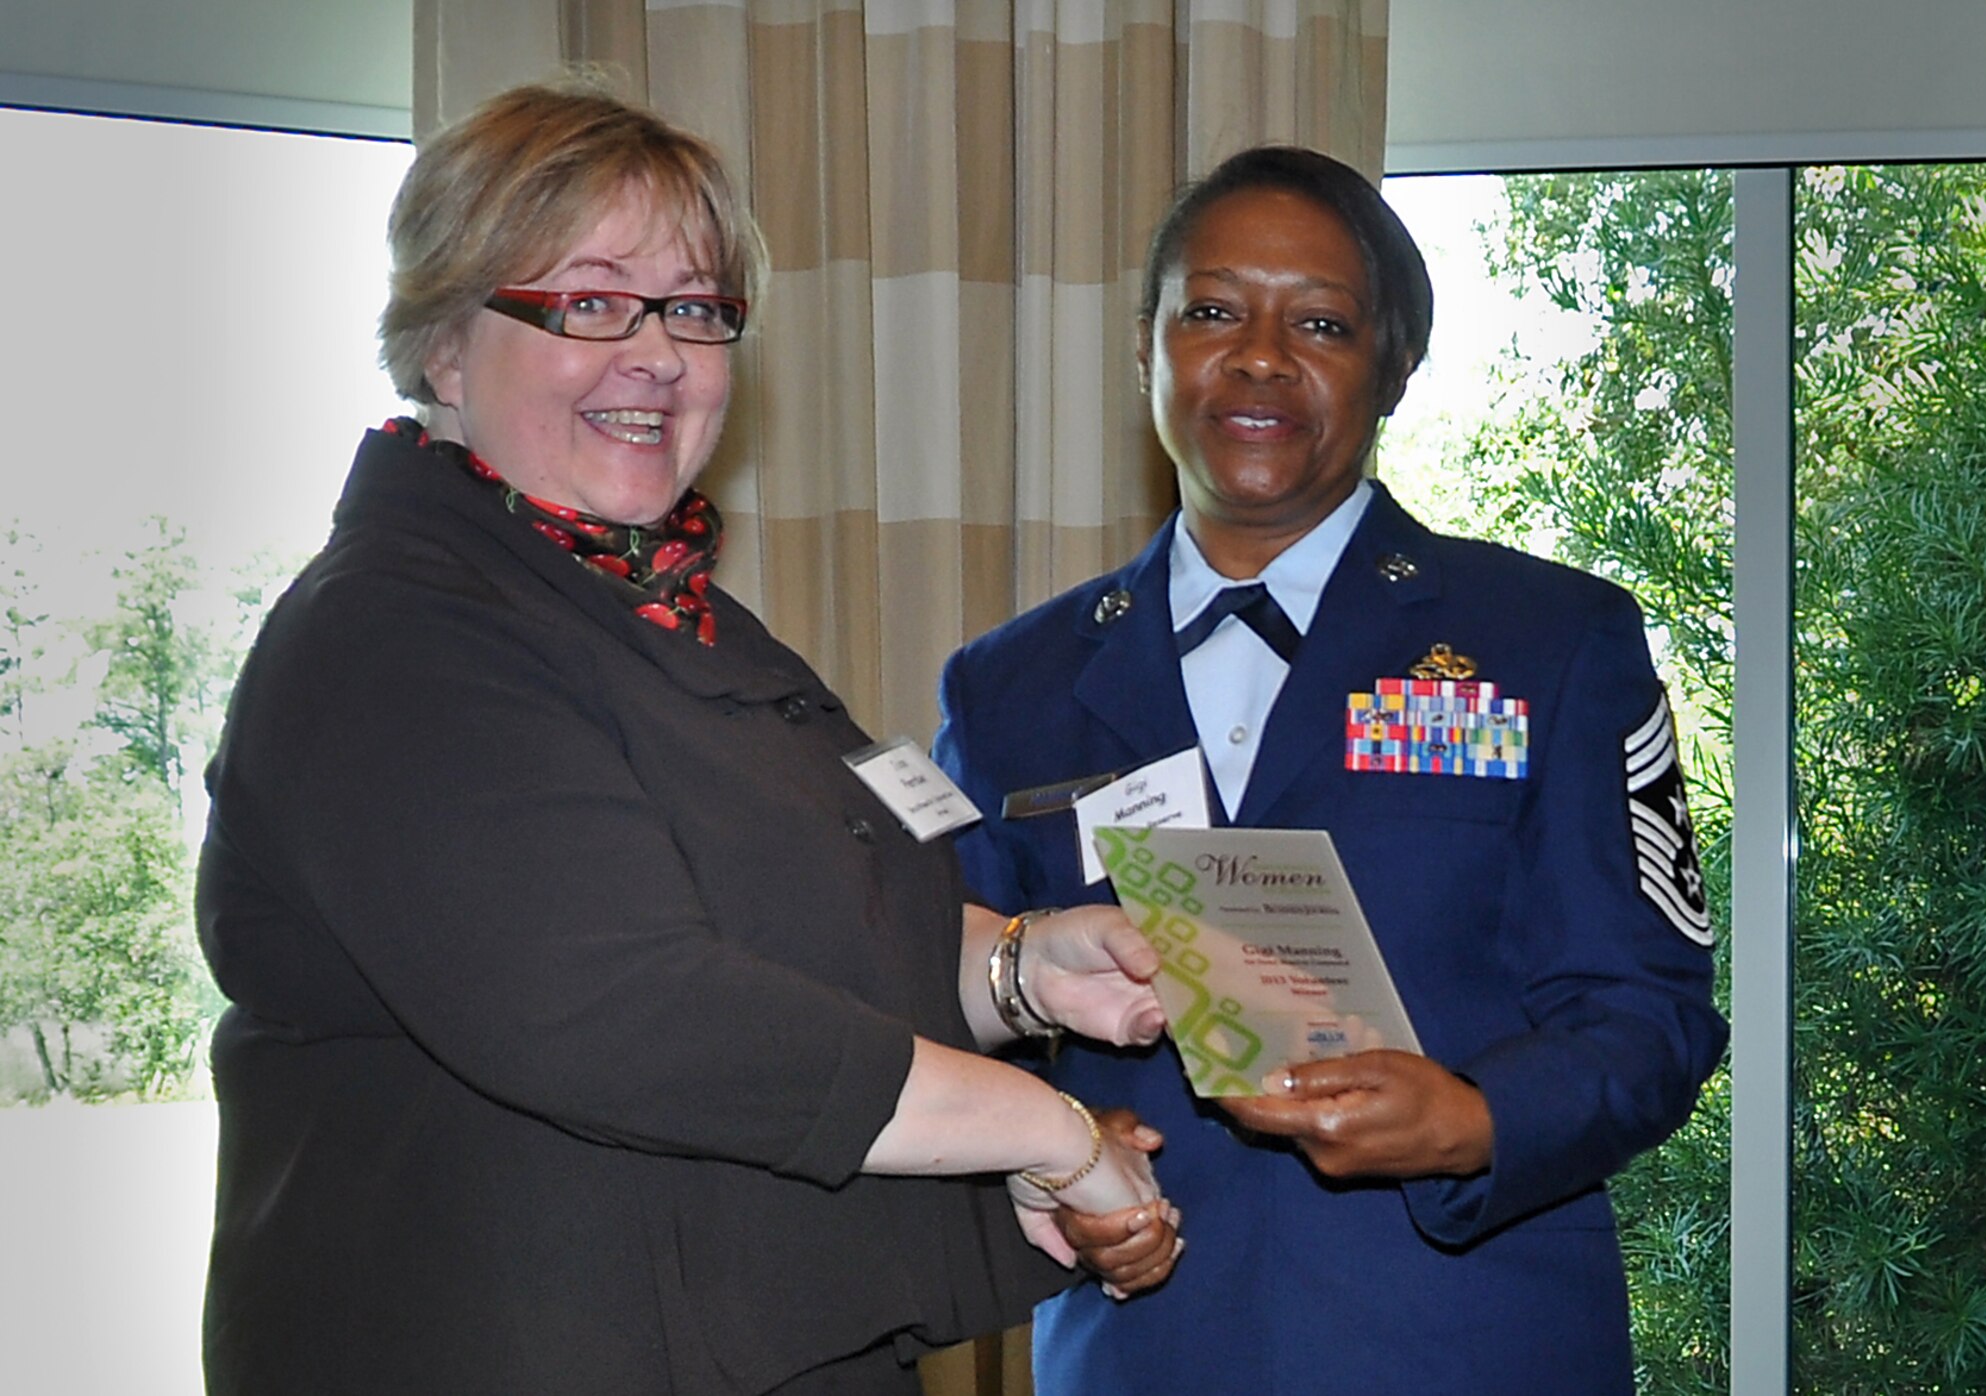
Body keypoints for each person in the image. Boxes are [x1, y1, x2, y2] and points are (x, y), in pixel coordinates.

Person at [195, 80, 1180, 1396]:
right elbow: (627, 1012)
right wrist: (1044, 1130)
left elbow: (809, 932)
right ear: (443, 342)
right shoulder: (391, 635)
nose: (659, 352)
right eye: (592, 301)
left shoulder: (690, 621)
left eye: (699, 310)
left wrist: (1017, 970)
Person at [933, 146, 1728, 1395]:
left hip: (1466, 1344)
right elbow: (957, 1006)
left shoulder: (1550, 643)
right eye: (1211, 311)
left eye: (1318, 321)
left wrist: (1472, 1119)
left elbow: (1651, 1015)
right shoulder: (1007, 686)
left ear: (1393, 368)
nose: (1257, 355)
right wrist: (1049, 1151)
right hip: (1142, 1348)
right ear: (1144, 345)